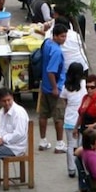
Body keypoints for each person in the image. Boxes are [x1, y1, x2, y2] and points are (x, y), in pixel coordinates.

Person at [37, 24, 69, 153]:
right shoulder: (57, 51)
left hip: (44, 86)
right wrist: (55, 88)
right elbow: (51, 71)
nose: (64, 39)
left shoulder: (47, 43)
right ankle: (60, 143)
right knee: (59, 117)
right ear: (55, 36)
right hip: (55, 88)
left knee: (43, 115)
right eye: (62, 36)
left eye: (65, 36)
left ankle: (43, 141)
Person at [60, 63, 87, 179]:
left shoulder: (66, 87)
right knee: (82, 144)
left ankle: (71, 169)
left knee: (71, 145)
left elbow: (64, 102)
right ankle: (82, 167)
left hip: (70, 119)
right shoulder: (85, 84)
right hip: (82, 118)